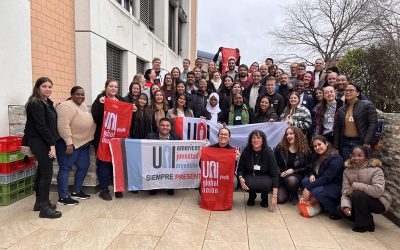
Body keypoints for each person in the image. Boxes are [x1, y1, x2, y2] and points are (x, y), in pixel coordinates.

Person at [22, 77, 62, 218]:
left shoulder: (46, 103)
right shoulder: (35, 103)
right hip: (40, 141)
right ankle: (44, 208)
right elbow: (41, 126)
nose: (48, 89)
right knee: (47, 173)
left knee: (41, 171)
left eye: (50, 87)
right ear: (38, 87)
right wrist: (52, 145)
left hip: (44, 140)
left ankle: (39, 203)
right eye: (44, 86)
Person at [56, 86, 95, 206]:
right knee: (65, 168)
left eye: (82, 95)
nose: (80, 96)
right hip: (70, 144)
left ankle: (76, 191)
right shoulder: (66, 106)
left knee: (84, 166)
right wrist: (69, 142)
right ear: (72, 95)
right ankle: (62, 197)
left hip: (83, 143)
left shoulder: (81, 105)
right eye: (78, 94)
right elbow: (63, 125)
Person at [338, 146, 392, 232]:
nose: (356, 158)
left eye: (359, 155)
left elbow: (378, 191)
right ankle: (368, 221)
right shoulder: (347, 171)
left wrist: (356, 186)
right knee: (340, 209)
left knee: (358, 194)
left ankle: (364, 225)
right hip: (359, 199)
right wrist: (346, 206)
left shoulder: (376, 170)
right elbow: (345, 191)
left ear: (366, 157)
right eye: (353, 155)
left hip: (379, 201)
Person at [92, 80, 129, 200]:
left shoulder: (120, 100)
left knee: (117, 164)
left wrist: (131, 110)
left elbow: (125, 116)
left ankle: (117, 188)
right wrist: (103, 105)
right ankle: (104, 189)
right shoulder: (100, 100)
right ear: (106, 87)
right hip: (104, 138)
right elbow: (96, 118)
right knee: (103, 163)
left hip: (117, 138)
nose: (113, 88)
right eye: (111, 86)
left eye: (116, 87)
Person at [302, 136, 344, 219]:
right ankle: (321, 204)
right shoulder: (316, 156)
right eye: (315, 146)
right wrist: (312, 175)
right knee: (305, 181)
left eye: (319, 144)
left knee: (316, 191)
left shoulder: (335, 158)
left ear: (326, 143)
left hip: (334, 185)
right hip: (323, 181)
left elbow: (326, 178)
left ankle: (335, 211)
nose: (317, 147)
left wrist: (308, 188)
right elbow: (312, 169)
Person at [334, 83, 377, 160]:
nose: (348, 92)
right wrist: (336, 146)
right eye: (346, 90)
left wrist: (367, 142)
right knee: (347, 166)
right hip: (345, 144)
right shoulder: (341, 110)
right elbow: (337, 129)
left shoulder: (367, 105)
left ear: (358, 93)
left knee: (362, 167)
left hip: (361, 142)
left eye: (351, 90)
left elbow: (373, 124)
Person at [237, 130, 279, 210]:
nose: (256, 140)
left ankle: (265, 196)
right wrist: (240, 178)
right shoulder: (246, 151)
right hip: (251, 176)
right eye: (254, 138)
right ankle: (252, 195)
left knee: (267, 183)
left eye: (259, 138)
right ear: (251, 140)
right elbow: (240, 169)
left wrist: (274, 196)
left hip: (265, 177)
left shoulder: (269, 152)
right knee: (246, 181)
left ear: (263, 140)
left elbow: (275, 174)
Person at [275, 127, 311, 205]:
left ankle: (294, 193)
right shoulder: (280, 147)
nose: (288, 136)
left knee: (291, 180)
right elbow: (274, 163)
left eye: (291, 133)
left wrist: (293, 170)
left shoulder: (305, 149)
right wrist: (279, 173)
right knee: (280, 200)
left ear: (297, 135)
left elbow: (307, 168)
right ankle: (288, 190)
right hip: (283, 176)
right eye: (287, 134)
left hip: (296, 176)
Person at [147, 118, 180, 195]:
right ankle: (153, 186)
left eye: (167, 125)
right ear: (158, 126)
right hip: (154, 161)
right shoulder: (150, 137)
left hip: (169, 162)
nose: (165, 127)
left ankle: (170, 186)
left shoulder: (176, 138)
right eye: (162, 125)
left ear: (170, 127)